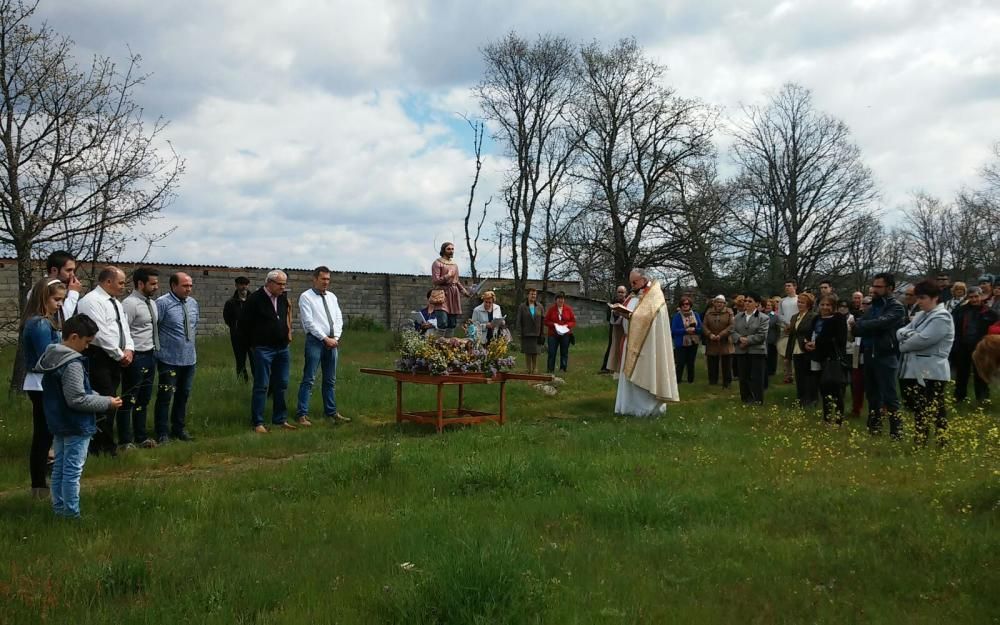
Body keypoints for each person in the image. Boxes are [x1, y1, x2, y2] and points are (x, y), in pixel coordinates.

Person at [36, 314, 122, 518]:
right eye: (86, 342)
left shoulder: (52, 355)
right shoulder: (72, 363)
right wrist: (107, 403)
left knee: (60, 469)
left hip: (58, 422)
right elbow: (77, 399)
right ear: (74, 337)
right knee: (72, 472)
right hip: (76, 425)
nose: (87, 347)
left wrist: (96, 395)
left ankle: (59, 510)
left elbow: (72, 391)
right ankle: (72, 515)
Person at [76, 266, 133, 456]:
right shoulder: (91, 301)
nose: (123, 287)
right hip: (99, 356)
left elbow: (124, 328)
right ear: (108, 281)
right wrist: (119, 354)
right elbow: (99, 333)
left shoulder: (115, 302)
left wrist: (129, 349)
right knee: (104, 401)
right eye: (121, 283)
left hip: (116, 357)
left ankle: (104, 443)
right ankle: (103, 446)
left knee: (113, 401)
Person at [21, 277, 66, 498]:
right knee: (43, 435)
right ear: (43, 297)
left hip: (42, 380)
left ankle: (41, 484)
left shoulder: (43, 321)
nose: (59, 304)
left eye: (62, 300)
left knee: (46, 434)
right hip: (40, 382)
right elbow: (45, 357)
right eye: (56, 299)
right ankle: (39, 485)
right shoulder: (39, 323)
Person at [614, 269, 679, 416]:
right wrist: (619, 313)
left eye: (634, 282)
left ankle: (645, 409)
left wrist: (632, 316)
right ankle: (628, 407)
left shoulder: (654, 297)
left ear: (643, 280)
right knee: (628, 378)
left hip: (648, 346)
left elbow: (651, 320)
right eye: (631, 282)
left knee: (645, 375)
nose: (632, 285)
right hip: (629, 342)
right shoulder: (632, 296)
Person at [897, 279, 954, 446]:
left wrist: (905, 341)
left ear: (935, 297)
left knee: (936, 409)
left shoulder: (942, 316)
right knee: (919, 409)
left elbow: (923, 340)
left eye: (922, 298)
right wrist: (909, 336)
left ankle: (942, 442)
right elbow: (900, 331)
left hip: (933, 370)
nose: (919, 301)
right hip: (915, 369)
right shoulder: (922, 315)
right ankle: (920, 441)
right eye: (918, 298)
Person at [853, 272, 907, 438]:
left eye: (878, 286)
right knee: (872, 394)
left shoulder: (896, 306)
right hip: (869, 353)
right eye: (874, 286)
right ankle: (874, 428)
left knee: (890, 395)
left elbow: (882, 323)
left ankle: (896, 432)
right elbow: (859, 326)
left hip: (885, 354)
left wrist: (865, 325)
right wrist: (866, 325)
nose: (874, 289)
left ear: (890, 288)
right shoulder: (874, 305)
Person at [241, 270, 295, 433]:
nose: (282, 287)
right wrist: (253, 344)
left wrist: (288, 333)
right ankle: (258, 422)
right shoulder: (255, 299)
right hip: (263, 348)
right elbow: (244, 324)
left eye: (284, 284)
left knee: (282, 383)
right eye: (280, 284)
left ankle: (280, 419)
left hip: (282, 348)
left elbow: (286, 317)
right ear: (269, 283)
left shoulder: (283, 298)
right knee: (262, 385)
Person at [296, 266, 348, 426]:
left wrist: (336, 337)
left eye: (328, 279)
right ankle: (302, 414)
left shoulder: (332, 297)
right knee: (309, 378)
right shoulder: (306, 297)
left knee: (330, 380)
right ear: (315, 279)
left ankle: (331, 412)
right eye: (323, 279)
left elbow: (338, 317)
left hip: (333, 342)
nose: (326, 282)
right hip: (316, 342)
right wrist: (325, 338)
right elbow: (309, 323)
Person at [153, 272, 199, 443]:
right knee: (165, 396)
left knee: (183, 395)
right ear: (173, 286)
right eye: (185, 286)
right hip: (168, 359)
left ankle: (179, 428)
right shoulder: (162, 303)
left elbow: (194, 326)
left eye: (190, 286)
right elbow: (154, 328)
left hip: (189, 358)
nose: (189, 289)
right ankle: (162, 432)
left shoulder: (193, 303)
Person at [119, 267, 160, 449]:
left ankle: (141, 436)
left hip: (151, 355)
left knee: (144, 398)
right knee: (130, 399)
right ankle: (125, 440)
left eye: (156, 283)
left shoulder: (151, 303)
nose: (156, 287)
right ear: (140, 283)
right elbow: (123, 331)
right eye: (152, 283)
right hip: (135, 357)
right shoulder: (130, 304)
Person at [951, 286, 998, 404]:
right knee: (962, 374)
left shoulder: (990, 313)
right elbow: (953, 328)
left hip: (982, 348)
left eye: (976, 296)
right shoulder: (960, 311)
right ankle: (959, 399)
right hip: (963, 346)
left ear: (981, 296)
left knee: (981, 375)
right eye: (971, 297)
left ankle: (983, 400)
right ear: (967, 297)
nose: (974, 299)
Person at [805, 295, 848, 424]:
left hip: (832, 358)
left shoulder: (838, 319)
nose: (825, 307)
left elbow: (840, 339)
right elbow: (809, 334)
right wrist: (806, 344)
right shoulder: (816, 318)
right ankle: (827, 418)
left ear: (833, 306)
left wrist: (818, 343)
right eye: (822, 305)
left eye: (828, 305)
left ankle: (839, 419)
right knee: (822, 388)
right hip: (817, 357)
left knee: (835, 389)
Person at [731, 293, 769, 405]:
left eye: (750, 301)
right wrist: (739, 339)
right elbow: (732, 331)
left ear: (757, 304)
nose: (746, 303)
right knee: (743, 376)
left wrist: (747, 340)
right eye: (745, 301)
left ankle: (757, 400)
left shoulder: (763, 317)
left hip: (756, 351)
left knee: (757, 377)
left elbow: (762, 335)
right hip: (741, 351)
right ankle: (746, 399)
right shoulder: (738, 317)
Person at [431, 242, 470, 337]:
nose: (451, 251)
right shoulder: (437, 263)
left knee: (452, 323)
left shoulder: (454, 265)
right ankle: (438, 345)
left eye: (452, 249)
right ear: (443, 250)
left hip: (454, 294)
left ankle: (449, 346)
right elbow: (435, 280)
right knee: (443, 322)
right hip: (442, 294)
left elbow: (456, 281)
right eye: (449, 249)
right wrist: (448, 276)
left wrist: (464, 291)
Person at [787, 293, 818, 408]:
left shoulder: (813, 316)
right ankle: (800, 399)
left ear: (808, 304)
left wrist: (809, 342)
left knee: (809, 376)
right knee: (799, 376)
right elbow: (792, 335)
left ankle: (811, 399)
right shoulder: (794, 317)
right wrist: (787, 354)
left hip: (807, 349)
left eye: (802, 302)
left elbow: (815, 332)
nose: (799, 304)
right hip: (796, 349)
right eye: (798, 302)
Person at [223, 277, 253, 381]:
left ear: (248, 285)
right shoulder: (231, 303)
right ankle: (242, 382)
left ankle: (258, 382)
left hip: (253, 337)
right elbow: (227, 318)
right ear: (236, 285)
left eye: (245, 284)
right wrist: (236, 328)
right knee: (240, 361)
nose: (243, 286)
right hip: (238, 337)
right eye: (241, 284)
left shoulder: (254, 300)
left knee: (255, 361)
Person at [702, 295, 734, 388]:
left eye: (721, 302)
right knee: (712, 361)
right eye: (717, 302)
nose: (719, 304)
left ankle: (727, 382)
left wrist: (721, 334)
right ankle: (713, 381)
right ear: (714, 303)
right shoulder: (709, 312)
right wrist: (709, 334)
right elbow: (704, 325)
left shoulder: (729, 312)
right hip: (712, 340)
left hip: (725, 340)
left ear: (724, 304)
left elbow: (732, 325)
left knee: (726, 362)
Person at [671, 296, 701, 384]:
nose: (685, 306)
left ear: (690, 305)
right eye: (683, 304)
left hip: (693, 341)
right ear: (680, 306)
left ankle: (691, 380)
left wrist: (694, 330)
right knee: (680, 363)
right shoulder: (677, 316)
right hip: (681, 343)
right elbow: (673, 330)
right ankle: (677, 380)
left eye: (687, 304)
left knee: (691, 362)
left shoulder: (695, 315)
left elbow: (700, 328)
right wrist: (685, 331)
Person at [544, 292, 576, 373]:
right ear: (556, 300)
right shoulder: (551, 309)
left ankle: (563, 368)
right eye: (559, 299)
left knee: (564, 352)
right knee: (552, 352)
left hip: (565, 334)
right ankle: (550, 369)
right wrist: (554, 324)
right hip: (553, 334)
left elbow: (573, 321)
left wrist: (567, 325)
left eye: (562, 299)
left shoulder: (568, 309)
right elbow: (546, 321)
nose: (560, 301)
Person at [600, 286, 628, 374]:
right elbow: (609, 317)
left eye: (622, 292)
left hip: (626, 328)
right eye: (619, 292)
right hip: (615, 328)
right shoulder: (613, 303)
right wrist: (615, 314)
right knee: (613, 346)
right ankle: (608, 366)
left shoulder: (628, 302)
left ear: (625, 293)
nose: (620, 294)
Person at [516, 288, 545, 374]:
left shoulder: (540, 306)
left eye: (535, 294)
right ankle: (528, 368)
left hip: (537, 333)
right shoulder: (522, 306)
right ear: (527, 295)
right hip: (526, 333)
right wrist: (519, 332)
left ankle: (535, 368)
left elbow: (543, 320)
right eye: (531, 294)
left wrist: (543, 332)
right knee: (528, 352)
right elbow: (519, 320)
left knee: (535, 351)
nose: (533, 296)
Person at [778, 280, 799, 383]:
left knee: (795, 351)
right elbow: (780, 314)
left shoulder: (799, 299)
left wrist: (793, 324)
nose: (787, 288)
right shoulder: (782, 301)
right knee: (784, 353)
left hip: (796, 327)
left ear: (795, 287)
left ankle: (796, 375)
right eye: (785, 286)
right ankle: (787, 375)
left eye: (789, 286)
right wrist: (786, 324)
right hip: (785, 328)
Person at [764, 297, 781, 386]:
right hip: (763, 340)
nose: (767, 306)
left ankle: (771, 372)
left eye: (769, 305)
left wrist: (777, 340)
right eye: (766, 305)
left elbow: (778, 330)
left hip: (772, 339)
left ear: (772, 306)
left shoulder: (775, 316)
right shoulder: (760, 315)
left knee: (772, 357)